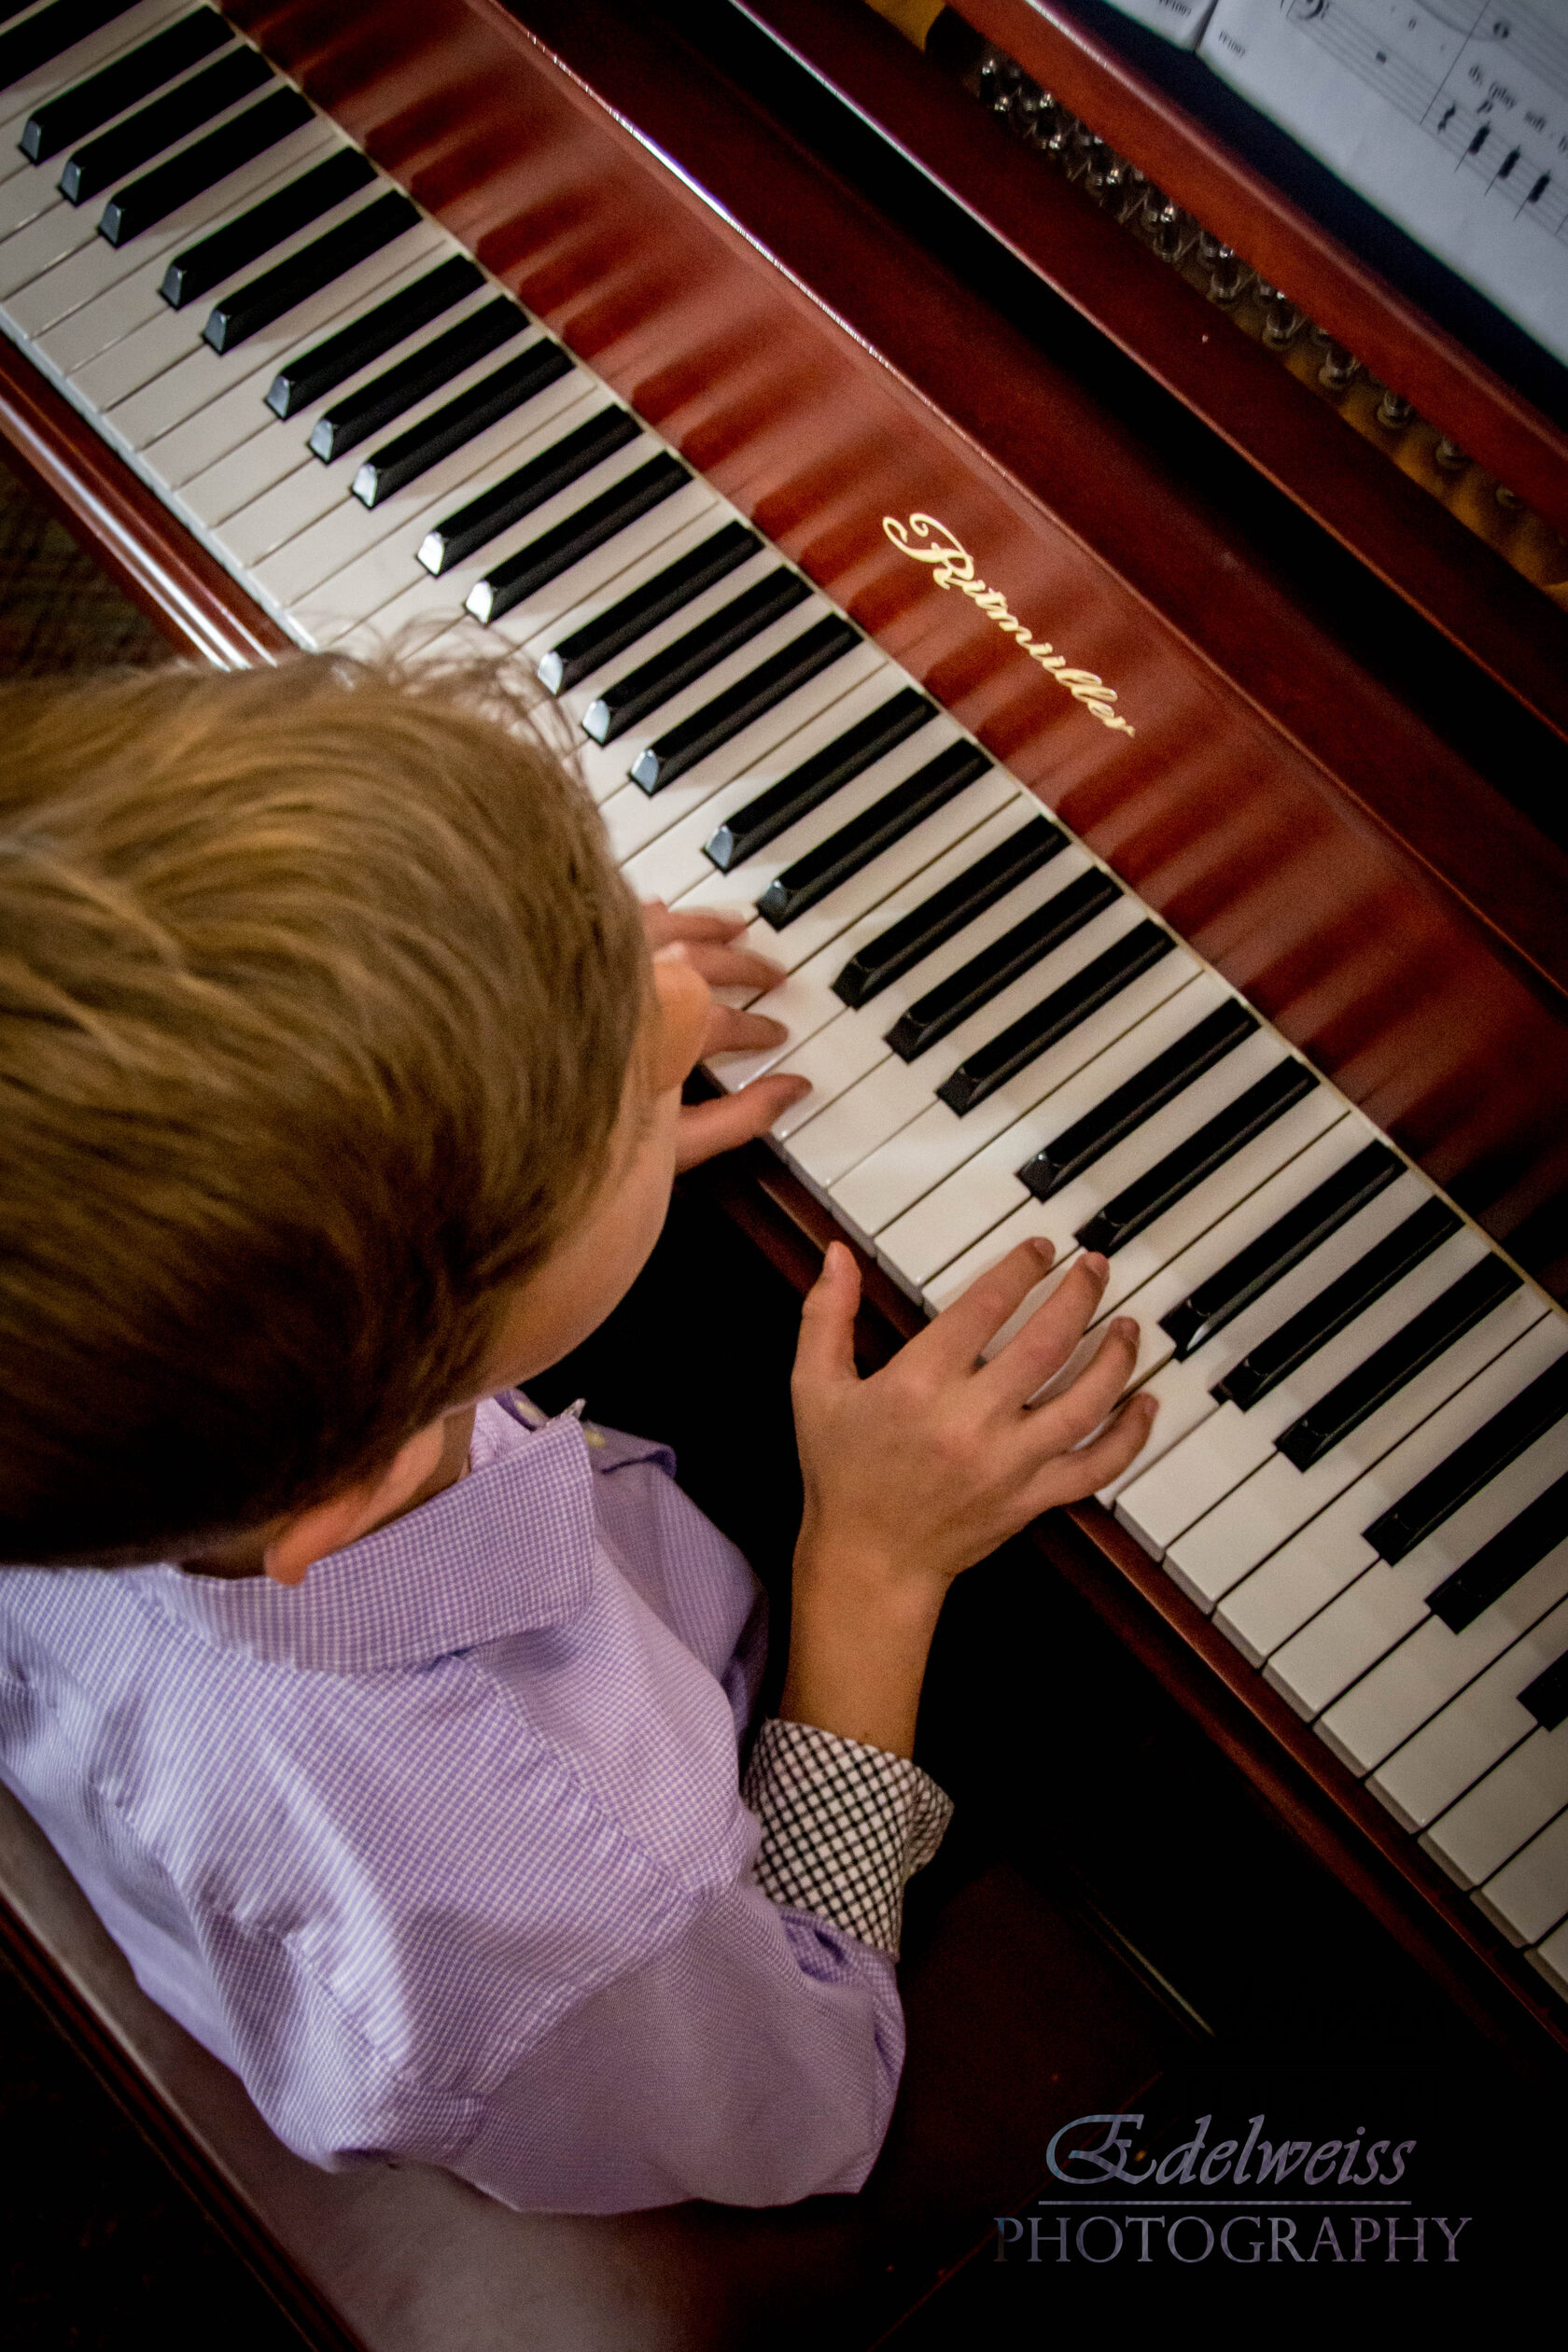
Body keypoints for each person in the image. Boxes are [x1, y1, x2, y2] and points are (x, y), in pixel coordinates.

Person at [0, 651, 1155, 2213]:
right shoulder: (590, 1894)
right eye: (629, 1085)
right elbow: (814, 2100)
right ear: (370, 1462)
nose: (674, 1001)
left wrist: (513, 1040)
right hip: (543, 1998)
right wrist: (870, 1567)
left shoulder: (113, 1393)